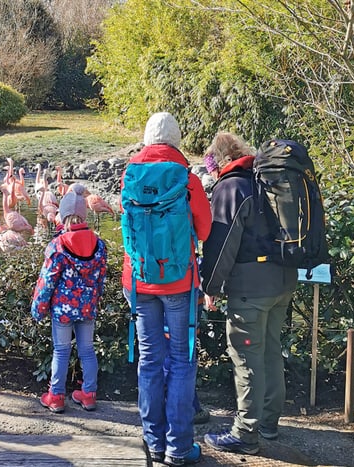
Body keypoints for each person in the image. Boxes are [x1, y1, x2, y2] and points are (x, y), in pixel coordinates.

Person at [200, 132, 298, 455]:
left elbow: (221, 247)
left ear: (219, 161)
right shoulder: (263, 181)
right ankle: (268, 424)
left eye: (210, 164)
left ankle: (246, 433)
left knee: (246, 357)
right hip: (283, 281)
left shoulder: (231, 188)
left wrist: (209, 287)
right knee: (271, 352)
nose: (210, 172)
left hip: (251, 291)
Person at [123, 112, 212, 466]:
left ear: (146, 140)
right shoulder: (188, 180)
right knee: (181, 361)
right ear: (176, 141)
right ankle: (178, 447)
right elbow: (203, 231)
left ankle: (153, 443)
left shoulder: (129, 176)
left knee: (149, 360)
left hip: (140, 283)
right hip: (178, 283)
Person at [32, 183, 108, 413]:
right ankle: (89, 394)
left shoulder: (57, 245)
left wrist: (38, 308)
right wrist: (94, 299)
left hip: (63, 310)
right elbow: (100, 278)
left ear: (62, 216)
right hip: (87, 308)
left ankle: (56, 396)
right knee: (87, 349)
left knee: (61, 350)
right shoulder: (99, 244)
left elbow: (47, 281)